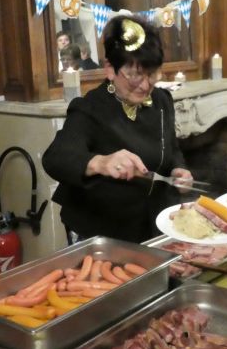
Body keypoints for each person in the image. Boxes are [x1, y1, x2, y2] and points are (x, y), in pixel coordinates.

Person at [42, 15, 193, 243]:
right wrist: (100, 162)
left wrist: (178, 170)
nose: (145, 85)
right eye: (133, 75)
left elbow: (171, 147)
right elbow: (55, 158)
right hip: (103, 231)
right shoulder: (90, 108)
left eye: (151, 73)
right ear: (110, 69)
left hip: (154, 223)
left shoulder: (162, 100)